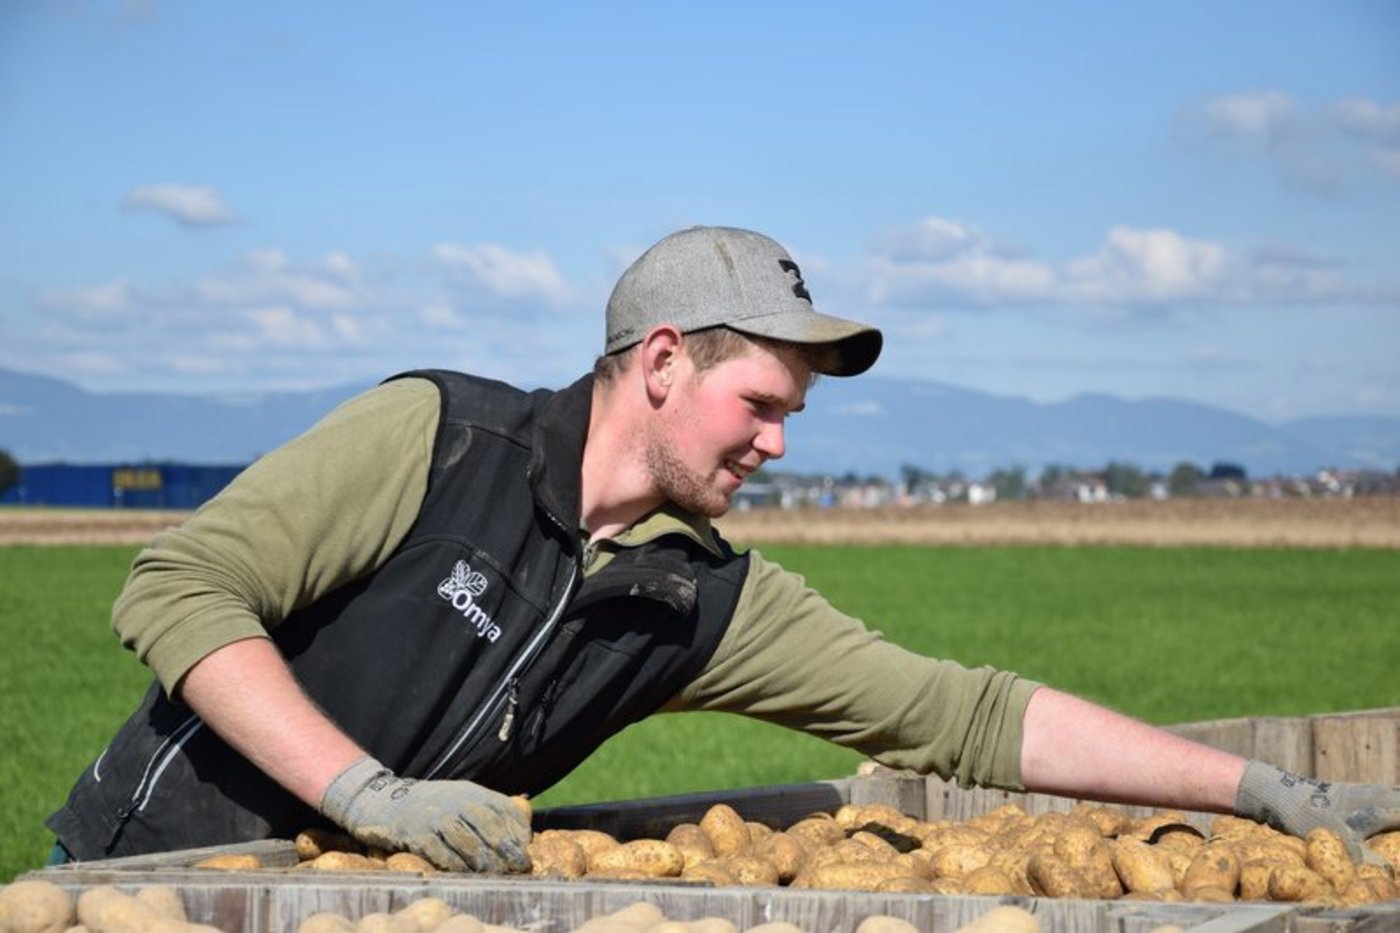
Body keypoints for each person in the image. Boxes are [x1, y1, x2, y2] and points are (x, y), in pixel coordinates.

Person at [49, 226, 1398, 874]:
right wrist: (364, 789)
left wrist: (1256, 786)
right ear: (656, 364)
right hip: (150, 882)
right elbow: (179, 585)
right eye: (758, 405)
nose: (778, 444)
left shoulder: (698, 597)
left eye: (790, 417)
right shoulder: (438, 438)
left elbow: (962, 712)